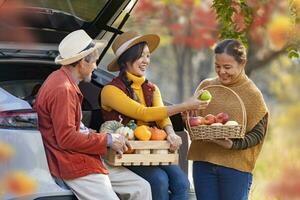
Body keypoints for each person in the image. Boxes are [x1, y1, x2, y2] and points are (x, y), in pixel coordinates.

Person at [34, 29, 152, 200]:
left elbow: (73, 129)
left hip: (86, 156)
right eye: (95, 62)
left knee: (141, 188)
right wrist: (108, 140)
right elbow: (66, 138)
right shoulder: (63, 90)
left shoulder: (61, 79)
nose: (96, 67)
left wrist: (101, 136)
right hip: (72, 162)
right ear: (82, 62)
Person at [100, 31, 209, 200]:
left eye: (148, 56)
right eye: (140, 56)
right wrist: (186, 105)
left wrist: (171, 134)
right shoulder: (110, 90)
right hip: (127, 151)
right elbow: (143, 113)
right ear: (126, 59)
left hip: (151, 149)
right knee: (159, 180)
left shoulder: (152, 88)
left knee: (182, 184)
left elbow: (161, 117)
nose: (146, 61)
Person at [188, 39, 269, 200]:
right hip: (203, 164)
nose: (221, 71)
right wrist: (187, 118)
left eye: (227, 67)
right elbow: (194, 123)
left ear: (242, 63)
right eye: (217, 66)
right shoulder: (207, 87)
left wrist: (233, 144)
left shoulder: (252, 94)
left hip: (235, 168)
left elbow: (258, 134)